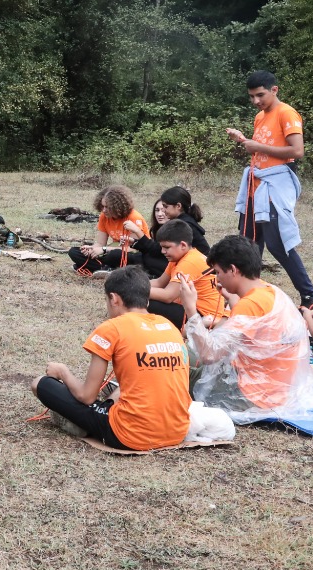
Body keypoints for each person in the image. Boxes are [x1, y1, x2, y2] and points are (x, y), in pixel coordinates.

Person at [32, 266, 191, 451]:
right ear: (146, 300)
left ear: (114, 299)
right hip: (177, 431)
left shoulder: (112, 328)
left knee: (40, 384)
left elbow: (87, 396)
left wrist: (63, 372)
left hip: (130, 435)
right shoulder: (169, 326)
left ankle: (85, 424)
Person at [175, 234, 313, 421]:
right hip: (281, 385)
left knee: (172, 363)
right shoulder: (269, 290)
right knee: (183, 352)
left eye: (217, 272)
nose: (216, 279)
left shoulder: (249, 305)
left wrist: (191, 309)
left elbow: (209, 355)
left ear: (232, 270)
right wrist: (231, 299)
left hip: (254, 394)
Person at [227, 71, 313, 307]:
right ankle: (249, 294)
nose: (256, 101)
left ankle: (310, 294)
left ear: (274, 90)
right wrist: (245, 141)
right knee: (249, 242)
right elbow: (265, 147)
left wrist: (257, 146)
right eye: (251, 97)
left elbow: (297, 151)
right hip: (254, 186)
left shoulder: (286, 113)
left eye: (260, 95)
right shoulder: (260, 117)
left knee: (277, 243)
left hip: (274, 186)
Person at [146, 221, 227, 331]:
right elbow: (160, 282)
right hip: (192, 310)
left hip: (204, 316)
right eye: (161, 247)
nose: (162, 251)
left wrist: (133, 290)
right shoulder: (179, 257)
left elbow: (168, 296)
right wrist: (134, 283)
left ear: (183, 245)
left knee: (144, 302)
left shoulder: (189, 262)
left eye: (166, 247)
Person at [67, 184, 150, 276]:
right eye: (102, 206)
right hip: (113, 250)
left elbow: (133, 249)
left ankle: (96, 267)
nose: (104, 210)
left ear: (118, 207)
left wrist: (104, 249)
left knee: (114, 255)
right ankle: (104, 268)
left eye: (108, 207)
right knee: (74, 252)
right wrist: (92, 249)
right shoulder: (104, 216)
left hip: (134, 254)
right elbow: (100, 243)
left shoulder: (133, 217)